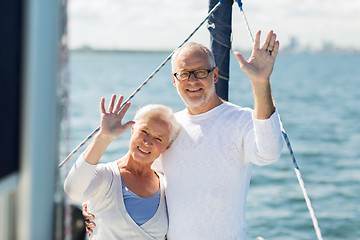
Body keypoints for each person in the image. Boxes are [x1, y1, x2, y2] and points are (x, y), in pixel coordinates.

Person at [84, 30, 284, 239]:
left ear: (215, 75)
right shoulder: (168, 130)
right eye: (185, 73)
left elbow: (269, 153)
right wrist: (94, 203)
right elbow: (131, 173)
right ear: (174, 80)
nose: (192, 80)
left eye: (200, 72)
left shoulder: (241, 120)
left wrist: (261, 82)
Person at [64, 95, 181, 240]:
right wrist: (103, 137)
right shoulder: (106, 175)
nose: (147, 141)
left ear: (166, 147)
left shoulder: (166, 186)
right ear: (132, 130)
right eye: (144, 131)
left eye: (158, 139)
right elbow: (73, 190)